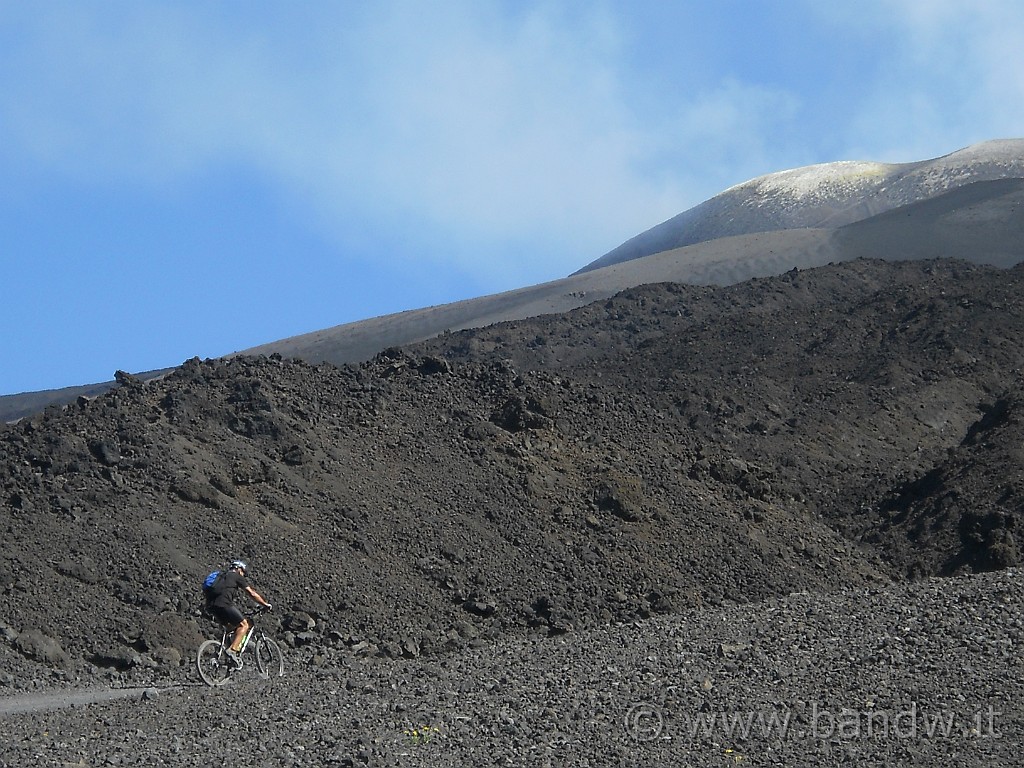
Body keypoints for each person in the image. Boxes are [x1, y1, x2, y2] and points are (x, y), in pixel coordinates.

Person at [205, 560, 272, 664]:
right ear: (239, 569)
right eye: (243, 572)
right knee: (244, 625)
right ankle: (232, 650)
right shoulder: (236, 576)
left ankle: (223, 656)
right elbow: (251, 593)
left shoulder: (221, 577)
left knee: (230, 629)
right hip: (224, 604)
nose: (243, 575)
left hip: (211, 607)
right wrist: (265, 604)